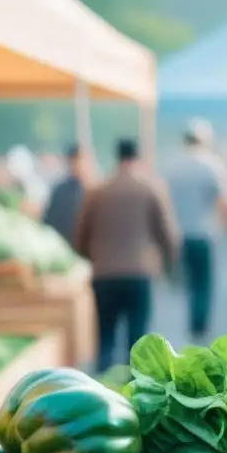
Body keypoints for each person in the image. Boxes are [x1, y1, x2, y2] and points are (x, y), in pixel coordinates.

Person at [75, 138, 177, 372]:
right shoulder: (150, 188)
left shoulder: (97, 190)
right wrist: (170, 261)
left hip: (104, 273)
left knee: (105, 335)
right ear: (137, 157)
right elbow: (166, 232)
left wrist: (93, 257)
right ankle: (134, 391)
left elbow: (80, 235)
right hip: (139, 272)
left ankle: (102, 386)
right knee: (137, 337)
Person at [166, 119, 227, 342]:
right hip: (204, 233)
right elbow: (224, 201)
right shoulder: (212, 165)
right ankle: (199, 326)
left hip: (179, 234)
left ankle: (192, 321)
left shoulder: (172, 166)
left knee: (188, 280)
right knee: (203, 282)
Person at [43, 145, 89, 244]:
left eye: (81, 161)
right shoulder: (60, 190)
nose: (78, 165)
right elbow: (49, 222)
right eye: (75, 161)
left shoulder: (92, 191)